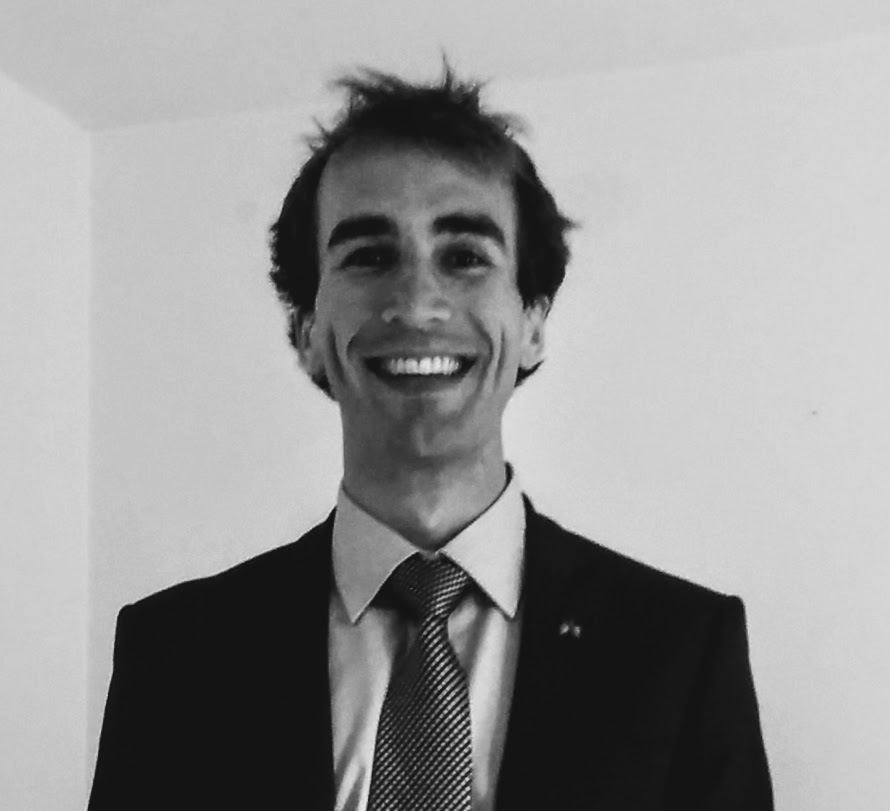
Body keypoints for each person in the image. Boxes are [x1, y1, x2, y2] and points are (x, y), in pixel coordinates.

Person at [88, 67, 774, 810]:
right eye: (369, 256)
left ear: (533, 323)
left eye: (465, 256)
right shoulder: (176, 652)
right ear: (307, 331)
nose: (417, 303)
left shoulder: (679, 648)